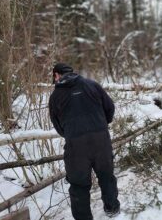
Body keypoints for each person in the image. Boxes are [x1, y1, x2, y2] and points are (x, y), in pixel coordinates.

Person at [49, 63, 120, 220]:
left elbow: (58, 126)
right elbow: (110, 107)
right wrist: (100, 125)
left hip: (76, 146)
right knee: (106, 176)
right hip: (101, 140)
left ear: (56, 75)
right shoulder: (92, 85)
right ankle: (112, 209)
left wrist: (72, 134)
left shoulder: (55, 97)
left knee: (79, 185)